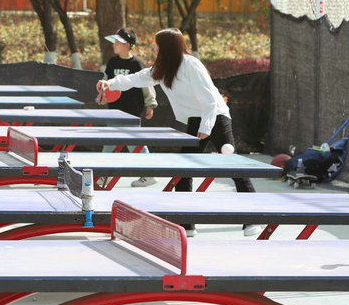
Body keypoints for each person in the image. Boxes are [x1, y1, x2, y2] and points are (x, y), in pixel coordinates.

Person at [97, 28, 258, 236]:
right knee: (184, 171)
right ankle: (187, 224)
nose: (155, 48)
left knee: (233, 166)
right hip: (195, 118)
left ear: (167, 47)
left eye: (158, 45)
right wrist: (109, 83)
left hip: (215, 116)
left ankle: (253, 218)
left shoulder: (191, 65)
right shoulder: (163, 67)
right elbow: (136, 79)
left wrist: (205, 127)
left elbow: (210, 98)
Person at [102, 27, 158, 187]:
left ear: (127, 45)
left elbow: (147, 85)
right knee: (109, 145)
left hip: (132, 112)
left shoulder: (137, 64)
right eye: (114, 41)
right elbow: (106, 81)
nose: (114, 44)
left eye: (118, 42)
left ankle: (149, 175)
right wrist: (103, 95)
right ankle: (102, 176)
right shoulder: (112, 62)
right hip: (114, 112)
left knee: (136, 145)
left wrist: (150, 103)